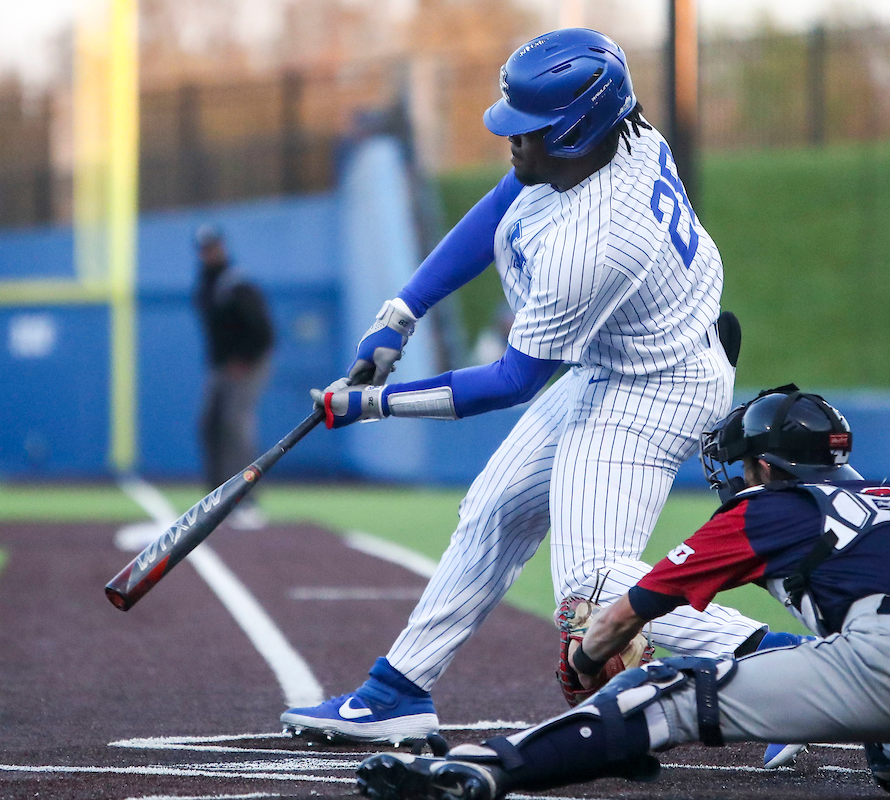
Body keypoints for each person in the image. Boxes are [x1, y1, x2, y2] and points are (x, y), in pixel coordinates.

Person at [283, 27, 777, 750]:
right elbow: (498, 206)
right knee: (492, 509)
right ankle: (396, 692)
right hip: (620, 361)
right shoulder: (610, 138)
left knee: (596, 587)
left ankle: (794, 667)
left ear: (577, 132)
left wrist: (372, 405)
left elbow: (511, 380)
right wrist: (402, 311)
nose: (512, 140)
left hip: (656, 388)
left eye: (531, 130)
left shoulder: (597, 241)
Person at [355, 386, 890, 799]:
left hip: (879, 659)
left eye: (746, 464)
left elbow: (625, 615)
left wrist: (585, 659)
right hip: (868, 652)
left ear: (766, 466)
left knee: (665, 693)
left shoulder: (769, 510)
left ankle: (485, 768)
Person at [193, 224, 275, 530]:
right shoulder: (207, 283)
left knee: (236, 426)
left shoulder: (236, 283)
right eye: (204, 248)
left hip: (247, 364)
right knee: (210, 425)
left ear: (222, 247)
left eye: (213, 247)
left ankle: (246, 500)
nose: (209, 253)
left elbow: (264, 331)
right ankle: (216, 500)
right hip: (222, 367)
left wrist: (245, 359)